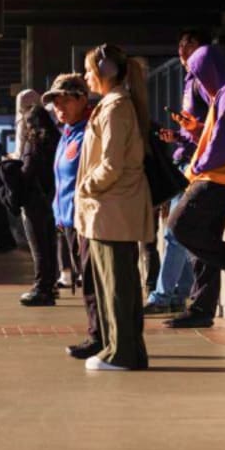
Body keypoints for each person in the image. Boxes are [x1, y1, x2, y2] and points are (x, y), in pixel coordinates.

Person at [165, 44, 225, 328]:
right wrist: (194, 132)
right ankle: (202, 307)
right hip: (217, 177)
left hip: (217, 178)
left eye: (198, 73)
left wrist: (198, 165)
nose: (197, 81)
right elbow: (217, 136)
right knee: (201, 241)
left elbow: (224, 143)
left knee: (179, 226)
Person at [76, 44, 153, 371]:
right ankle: (124, 351)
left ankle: (120, 354)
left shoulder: (115, 108)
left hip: (111, 210)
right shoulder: (114, 105)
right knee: (119, 283)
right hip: (112, 210)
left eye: (88, 70)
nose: (85, 76)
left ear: (104, 72)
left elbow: (111, 164)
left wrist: (86, 186)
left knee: (116, 286)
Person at [145, 29, 209, 314]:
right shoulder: (190, 83)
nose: (183, 50)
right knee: (177, 231)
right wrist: (180, 136)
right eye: (181, 45)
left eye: (190, 45)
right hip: (185, 160)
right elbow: (197, 129)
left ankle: (162, 296)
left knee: (175, 231)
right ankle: (177, 293)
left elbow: (211, 127)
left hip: (195, 164)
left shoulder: (206, 83)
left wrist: (190, 135)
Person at [42, 73, 101, 357]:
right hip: (67, 220)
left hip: (85, 220)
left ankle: (98, 337)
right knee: (84, 277)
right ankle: (98, 333)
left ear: (82, 99)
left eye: (64, 100)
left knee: (92, 281)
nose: (58, 107)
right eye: (55, 102)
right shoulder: (67, 133)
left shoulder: (89, 131)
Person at [18, 104, 61, 306]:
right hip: (54, 199)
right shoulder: (57, 138)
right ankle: (50, 286)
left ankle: (41, 288)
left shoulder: (33, 142)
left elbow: (27, 172)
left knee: (39, 248)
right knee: (50, 245)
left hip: (34, 201)